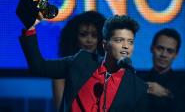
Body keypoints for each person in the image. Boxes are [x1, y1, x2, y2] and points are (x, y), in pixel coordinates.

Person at [19, 14, 148, 112]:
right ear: (105, 44)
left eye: (130, 42)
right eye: (119, 40)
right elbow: (39, 67)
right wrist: (30, 27)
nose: (125, 46)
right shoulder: (81, 61)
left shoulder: (137, 87)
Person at [53, 11, 106, 108]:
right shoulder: (62, 69)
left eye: (94, 35)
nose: (89, 40)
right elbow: (59, 107)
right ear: (74, 37)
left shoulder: (107, 67)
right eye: (83, 35)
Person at [146, 28, 182, 112]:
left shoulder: (182, 85)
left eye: (170, 51)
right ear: (152, 48)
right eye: (160, 48)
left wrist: (166, 93)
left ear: (176, 55)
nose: (164, 54)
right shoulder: (136, 80)